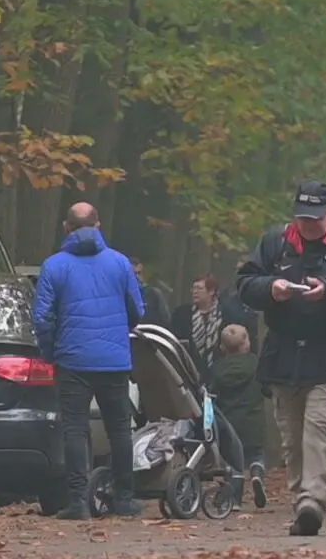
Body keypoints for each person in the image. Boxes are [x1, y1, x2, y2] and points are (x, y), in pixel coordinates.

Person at [236, 180, 326, 537]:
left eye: (315, 218)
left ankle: (313, 501)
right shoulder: (276, 242)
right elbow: (245, 283)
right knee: (292, 436)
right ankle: (301, 498)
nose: (308, 225)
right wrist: (271, 288)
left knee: (319, 430)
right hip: (283, 355)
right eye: (302, 217)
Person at [34, 203, 145, 520]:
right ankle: (124, 499)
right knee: (120, 430)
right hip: (114, 360)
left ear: (66, 228)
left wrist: (50, 351)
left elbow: (42, 317)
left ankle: (79, 502)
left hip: (72, 359)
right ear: (98, 226)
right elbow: (137, 309)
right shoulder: (121, 263)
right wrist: (119, 335)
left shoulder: (54, 266)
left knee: (75, 430)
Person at [212, 325, 267, 508]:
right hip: (253, 420)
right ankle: (257, 473)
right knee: (256, 455)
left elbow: (212, 393)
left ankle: (234, 500)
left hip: (230, 423)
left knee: (234, 463)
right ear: (247, 345)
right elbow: (265, 388)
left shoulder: (217, 369)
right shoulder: (256, 364)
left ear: (222, 348)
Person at [171, 274, 255, 379]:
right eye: (194, 288)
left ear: (211, 291)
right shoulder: (182, 314)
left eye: (199, 288)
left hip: (221, 373)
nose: (195, 292)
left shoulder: (228, 314)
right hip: (189, 372)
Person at [134, 259, 173, 328]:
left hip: (150, 334)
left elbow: (165, 319)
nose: (137, 277)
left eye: (139, 273)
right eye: (134, 274)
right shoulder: (122, 296)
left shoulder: (155, 294)